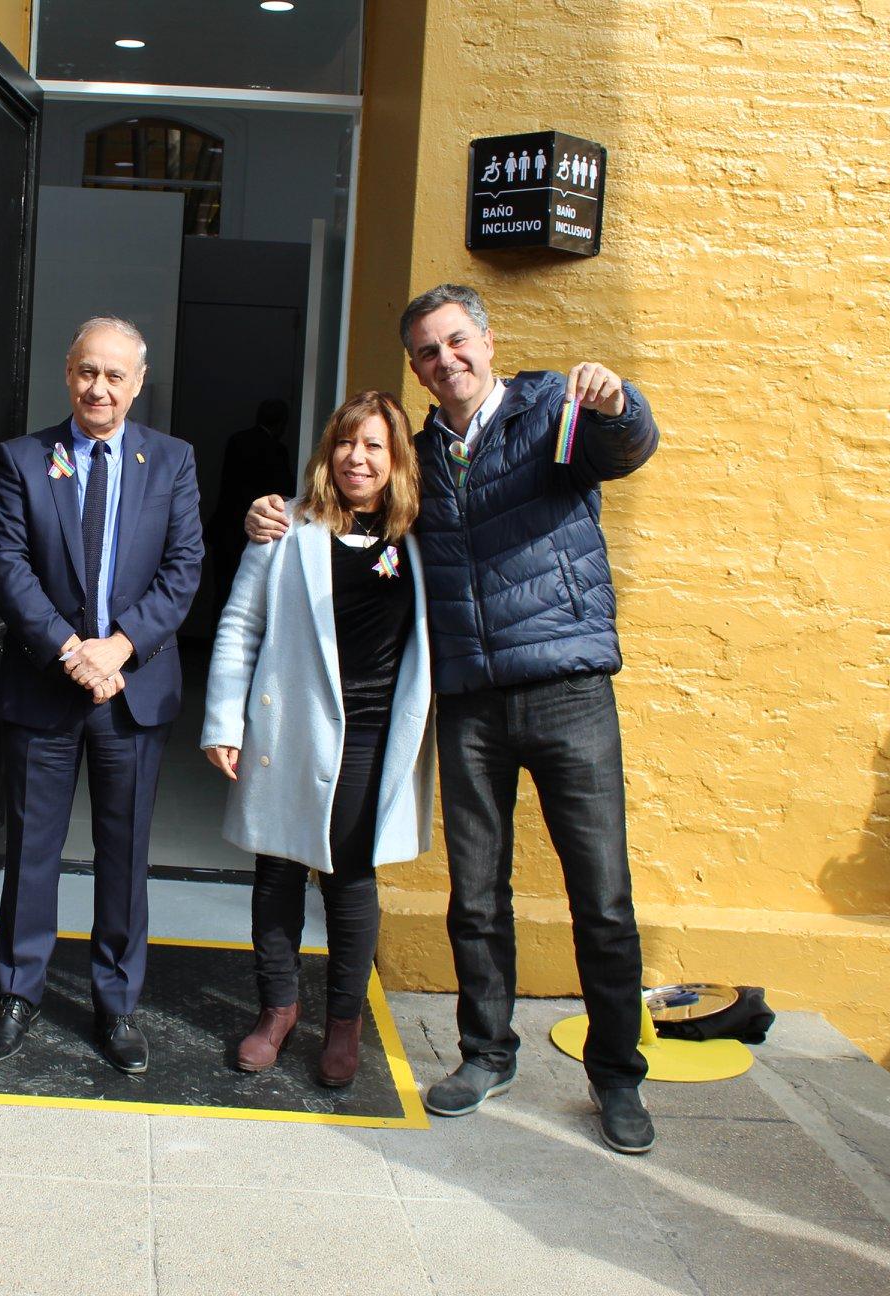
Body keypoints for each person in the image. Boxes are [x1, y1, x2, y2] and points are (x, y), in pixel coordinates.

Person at [246, 283, 661, 1153]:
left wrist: (619, 404)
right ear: (418, 368)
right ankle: (486, 1052)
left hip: (567, 686)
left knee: (603, 898)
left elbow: (625, 448)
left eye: (457, 341)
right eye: (429, 352)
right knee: (476, 895)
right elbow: (352, 509)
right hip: (470, 700)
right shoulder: (420, 454)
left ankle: (617, 1076)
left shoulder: (552, 408)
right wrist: (273, 513)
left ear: (487, 338)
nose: (448, 360)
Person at [0, 316, 202, 1075]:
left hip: (132, 693)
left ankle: (117, 1003)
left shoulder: (171, 461)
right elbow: (6, 562)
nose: (97, 388)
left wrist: (120, 647)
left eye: (114, 375)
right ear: (66, 374)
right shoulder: (22, 460)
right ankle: (17, 993)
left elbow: (184, 569)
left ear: (139, 384)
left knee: (124, 854)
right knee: (32, 849)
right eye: (85, 372)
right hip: (46, 686)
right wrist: (72, 651)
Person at [201, 391, 434, 1087]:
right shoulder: (286, 530)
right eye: (346, 443)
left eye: (374, 447)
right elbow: (240, 627)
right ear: (327, 452)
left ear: (395, 463)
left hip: (372, 733)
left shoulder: (418, 541)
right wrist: (224, 720)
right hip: (290, 728)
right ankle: (276, 1011)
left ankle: (344, 1022)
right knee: (276, 871)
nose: (357, 458)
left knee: (350, 877)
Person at [204, 397, 294, 627]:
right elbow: (284, 494)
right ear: (282, 424)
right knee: (249, 601)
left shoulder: (238, 440)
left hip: (226, 530)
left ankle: (214, 643)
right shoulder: (276, 450)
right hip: (259, 533)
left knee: (223, 593)